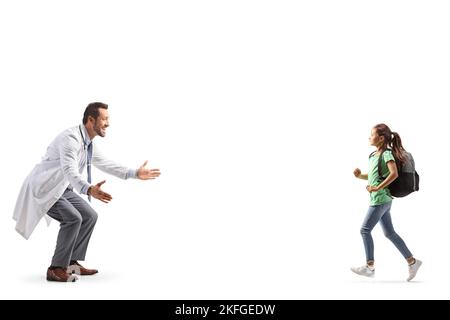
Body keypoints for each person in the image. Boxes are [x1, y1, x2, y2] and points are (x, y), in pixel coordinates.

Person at [13, 102, 161, 282]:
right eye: (104, 119)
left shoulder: (88, 143)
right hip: (45, 188)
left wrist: (134, 173)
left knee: (89, 215)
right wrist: (89, 189)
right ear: (91, 120)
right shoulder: (71, 139)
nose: (108, 123)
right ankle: (55, 268)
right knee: (73, 218)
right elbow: (70, 171)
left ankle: (70, 264)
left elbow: (106, 164)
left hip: (62, 188)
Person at [351, 123, 421, 281]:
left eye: (372, 134)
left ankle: (370, 267)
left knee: (364, 230)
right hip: (381, 199)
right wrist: (360, 175)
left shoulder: (387, 154)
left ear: (381, 138)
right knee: (389, 233)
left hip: (381, 199)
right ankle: (412, 262)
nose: (369, 137)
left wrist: (377, 188)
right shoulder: (373, 155)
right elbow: (373, 176)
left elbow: (394, 174)